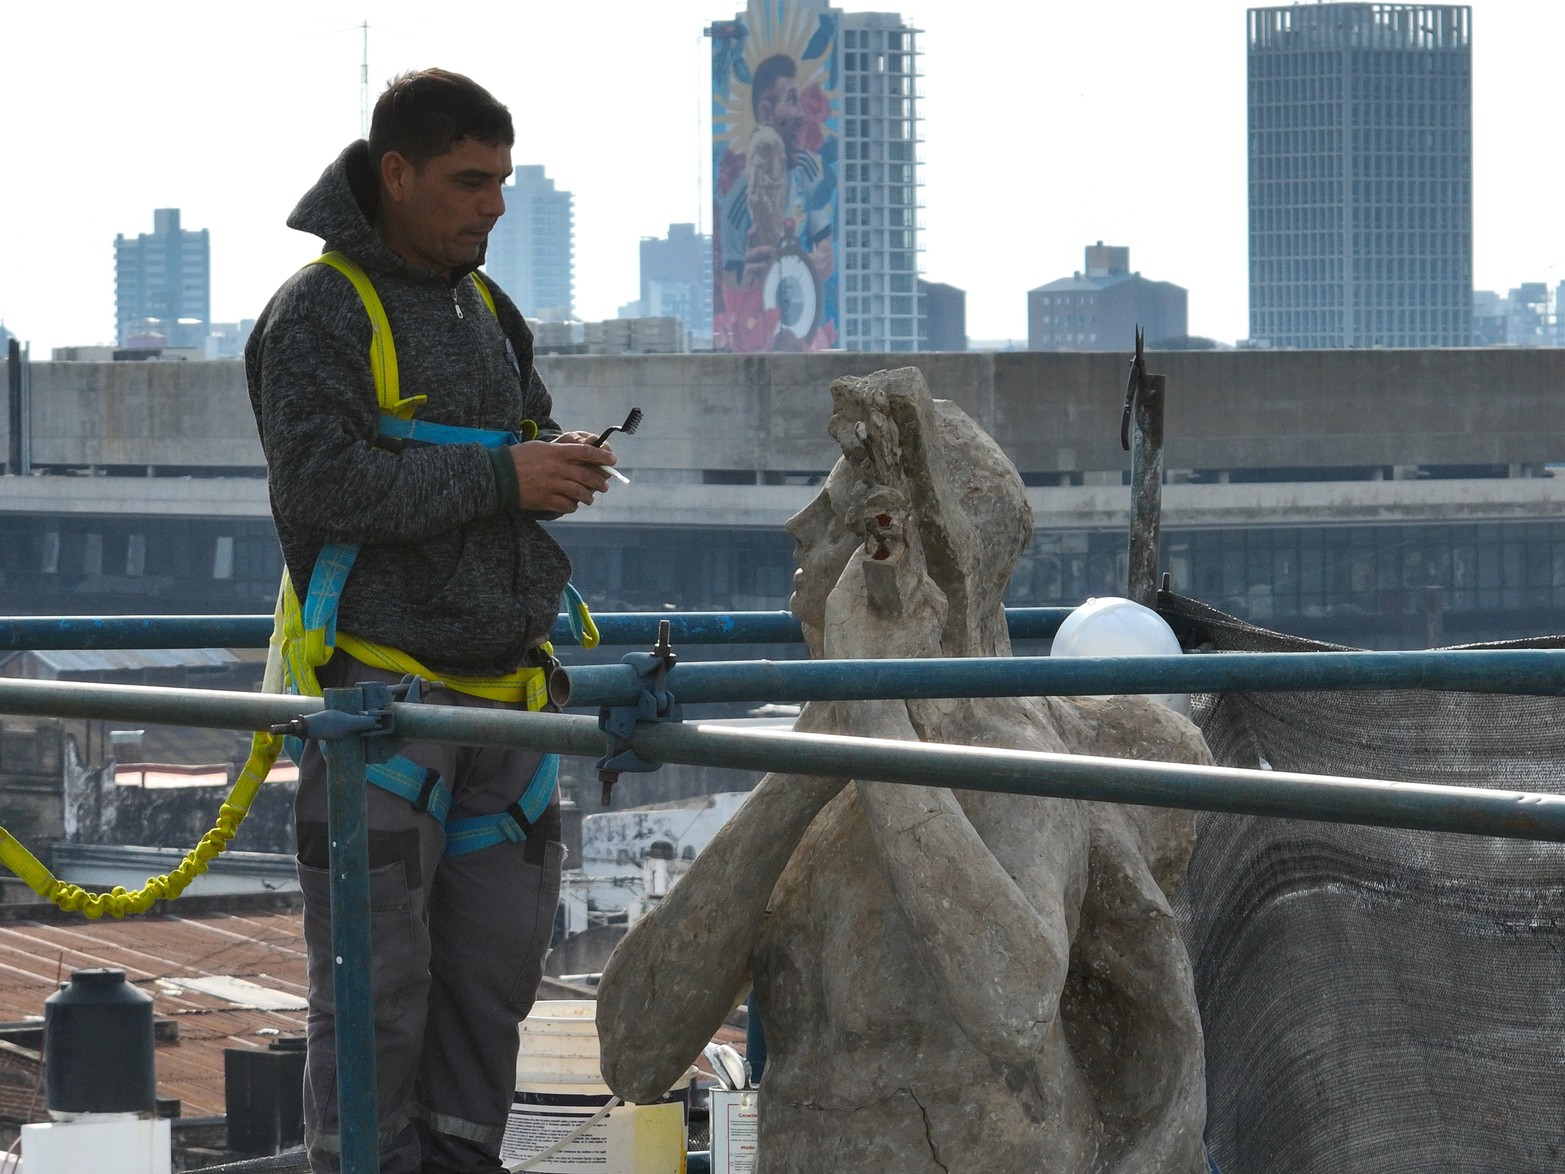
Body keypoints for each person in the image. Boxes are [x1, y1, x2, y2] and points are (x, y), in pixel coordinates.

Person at [244, 68, 615, 1174]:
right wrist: (507, 480)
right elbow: (323, 487)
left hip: (508, 710)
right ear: (394, 174)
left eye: (501, 180)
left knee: (488, 986)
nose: (493, 204)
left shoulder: (485, 308)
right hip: (387, 708)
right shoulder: (319, 313)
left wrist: (555, 458)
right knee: (375, 992)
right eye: (469, 181)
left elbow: (513, 436)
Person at [716, 53, 834, 347]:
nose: (801, 115)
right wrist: (746, 276)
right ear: (767, 113)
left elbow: (827, 253)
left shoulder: (809, 171)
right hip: (760, 340)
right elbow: (729, 286)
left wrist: (811, 262)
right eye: (792, 100)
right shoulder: (735, 205)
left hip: (810, 334)